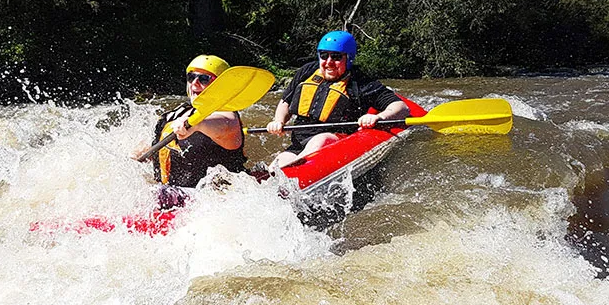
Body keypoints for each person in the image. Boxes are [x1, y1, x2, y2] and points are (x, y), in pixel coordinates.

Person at [266, 30, 409, 168]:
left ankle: (297, 170)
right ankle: (281, 172)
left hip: (338, 141)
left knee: (320, 140)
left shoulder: (362, 83)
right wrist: (279, 121)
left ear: (349, 58)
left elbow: (401, 107)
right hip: (299, 143)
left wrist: (379, 117)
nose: (329, 62)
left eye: (336, 57)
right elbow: (285, 102)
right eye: (324, 55)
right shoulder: (307, 71)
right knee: (279, 162)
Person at [133, 54, 246, 190]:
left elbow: (225, 125)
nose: (194, 83)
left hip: (212, 196)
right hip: (169, 192)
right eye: (191, 77)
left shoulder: (227, 115)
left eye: (204, 79)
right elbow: (155, 143)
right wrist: (132, 159)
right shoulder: (178, 113)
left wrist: (198, 124)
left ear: (221, 86)